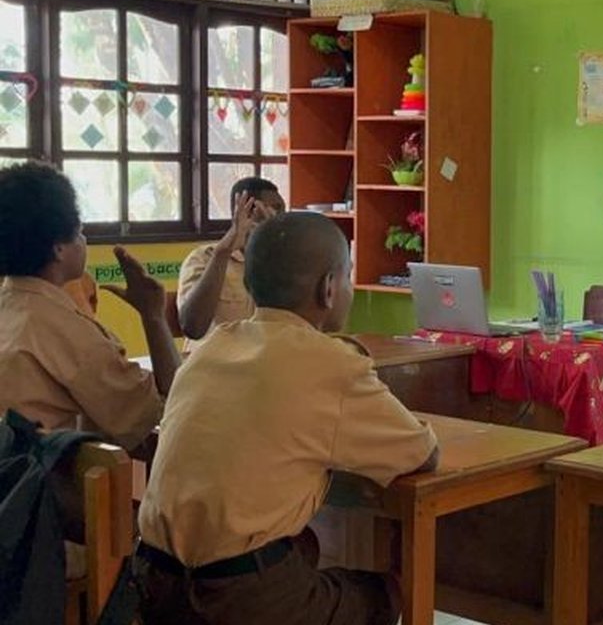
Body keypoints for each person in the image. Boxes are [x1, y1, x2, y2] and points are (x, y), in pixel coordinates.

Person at [135, 212, 439, 625]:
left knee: (305, 549)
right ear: (329, 288)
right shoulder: (330, 363)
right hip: (238, 600)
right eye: (347, 277)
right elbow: (422, 456)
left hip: (154, 587)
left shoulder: (209, 348)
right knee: (387, 589)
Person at [0, 162, 179, 453]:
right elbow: (163, 410)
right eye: (80, 232)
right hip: (41, 491)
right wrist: (153, 315)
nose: (84, 240)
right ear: (58, 247)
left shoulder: (11, 306)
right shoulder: (65, 328)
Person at [177, 176, 284, 351]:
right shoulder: (204, 258)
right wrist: (223, 252)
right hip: (211, 365)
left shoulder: (282, 260)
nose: (282, 218)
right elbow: (193, 327)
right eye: (276, 209)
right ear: (248, 210)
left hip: (261, 363)